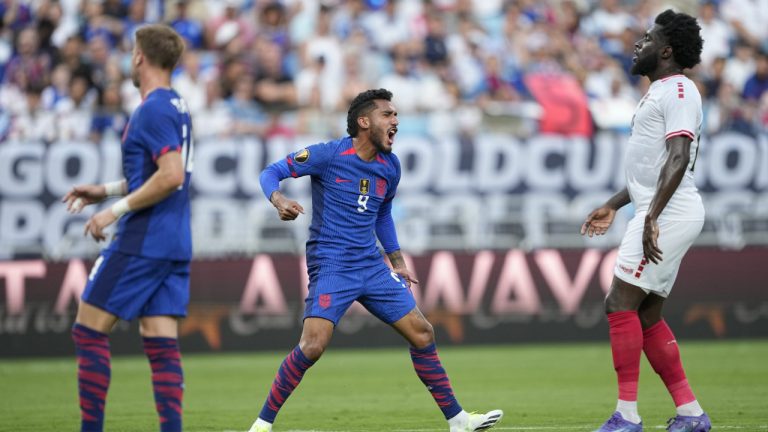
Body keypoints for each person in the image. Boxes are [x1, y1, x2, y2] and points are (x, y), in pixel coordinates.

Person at [248, 88, 503, 432]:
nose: (396, 121)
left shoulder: (390, 166)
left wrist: (396, 261)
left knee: (422, 333)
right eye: (388, 115)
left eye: (396, 115)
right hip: (333, 264)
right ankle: (262, 425)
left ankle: (459, 421)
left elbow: (382, 214)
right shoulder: (328, 154)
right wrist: (278, 199)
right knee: (313, 345)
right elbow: (270, 172)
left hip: (371, 265)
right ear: (364, 121)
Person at [580, 10, 711, 432]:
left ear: (667, 51)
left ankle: (627, 416)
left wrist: (650, 215)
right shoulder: (662, 91)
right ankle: (691, 414)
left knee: (619, 304)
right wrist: (617, 204)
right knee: (648, 315)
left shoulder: (677, 90)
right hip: (661, 208)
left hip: (667, 212)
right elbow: (653, 166)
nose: (639, 44)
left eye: (648, 38)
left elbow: (678, 157)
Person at [62, 24, 193, 432]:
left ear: (140, 57)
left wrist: (113, 210)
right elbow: (165, 172)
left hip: (143, 238)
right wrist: (104, 190)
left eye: (131, 52)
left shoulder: (151, 109)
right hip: (175, 240)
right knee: (160, 342)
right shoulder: (178, 105)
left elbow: (170, 176)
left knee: (88, 330)